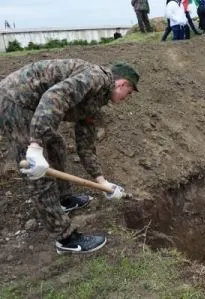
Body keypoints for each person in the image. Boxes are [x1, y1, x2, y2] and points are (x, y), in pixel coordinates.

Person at [0, 59, 139, 254]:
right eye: (130, 92)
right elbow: (54, 97)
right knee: (38, 173)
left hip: (32, 107)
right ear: (122, 83)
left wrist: (103, 182)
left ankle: (63, 200)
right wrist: (35, 145)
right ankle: (65, 238)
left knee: (56, 144)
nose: (128, 97)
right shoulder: (96, 78)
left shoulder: (96, 100)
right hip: (14, 101)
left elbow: (86, 146)